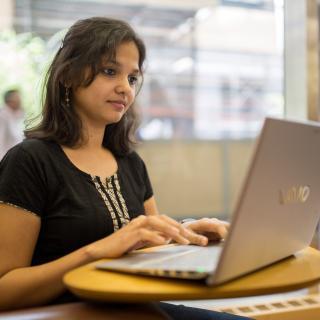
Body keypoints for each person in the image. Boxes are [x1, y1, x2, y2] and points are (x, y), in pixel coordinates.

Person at [0, 17, 251, 319]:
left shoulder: (129, 162)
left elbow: (149, 250)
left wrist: (184, 233)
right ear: (68, 75)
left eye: (132, 79)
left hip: (136, 307)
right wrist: (100, 250)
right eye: (110, 71)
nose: (125, 89)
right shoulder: (29, 160)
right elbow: (5, 290)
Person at [0, 89, 24, 160]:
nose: (20, 100)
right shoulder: (3, 116)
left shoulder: (16, 116)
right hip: (4, 159)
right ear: (9, 100)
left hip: (13, 158)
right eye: (17, 97)